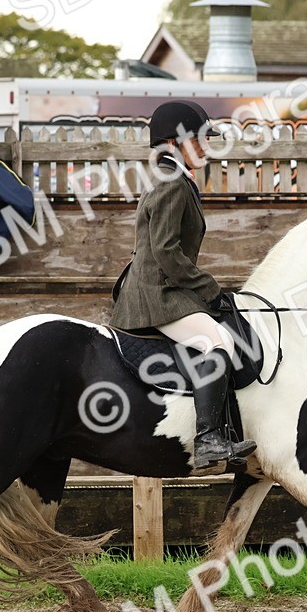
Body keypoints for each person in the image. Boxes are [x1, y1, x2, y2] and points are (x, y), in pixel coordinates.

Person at [109, 101, 256, 470]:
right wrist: (209, 289)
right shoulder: (172, 182)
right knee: (217, 342)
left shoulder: (171, 177)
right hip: (157, 295)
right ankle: (208, 439)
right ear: (174, 142)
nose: (207, 146)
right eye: (201, 138)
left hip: (161, 288)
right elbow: (165, 251)